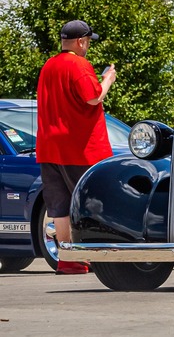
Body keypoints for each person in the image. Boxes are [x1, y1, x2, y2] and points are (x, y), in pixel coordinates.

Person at [36, 20, 117, 275]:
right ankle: (98, 256)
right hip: (80, 148)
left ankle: (68, 259)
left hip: (50, 147)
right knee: (92, 202)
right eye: (88, 42)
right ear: (81, 41)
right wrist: (108, 79)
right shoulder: (79, 65)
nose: (88, 46)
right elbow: (93, 97)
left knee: (59, 206)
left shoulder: (48, 65)